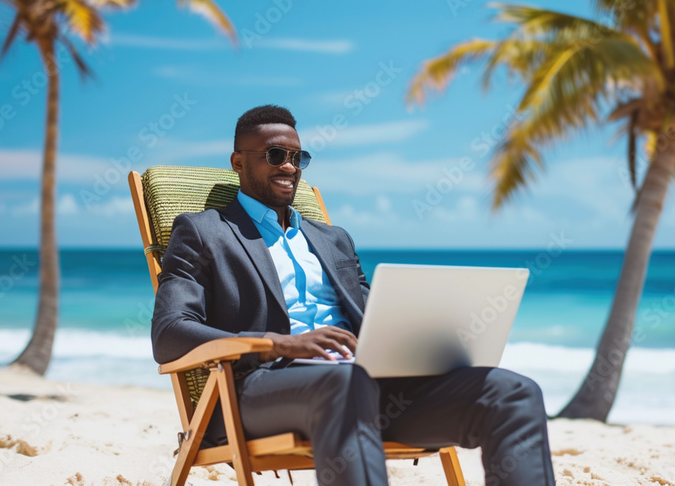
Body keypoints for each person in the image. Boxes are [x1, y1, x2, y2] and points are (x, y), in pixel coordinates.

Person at [151, 104, 555, 485]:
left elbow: (373, 315)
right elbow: (169, 334)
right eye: (275, 155)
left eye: (298, 157)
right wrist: (281, 344)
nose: (290, 167)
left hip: (371, 389)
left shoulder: (333, 239)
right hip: (261, 388)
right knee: (344, 384)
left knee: (513, 393)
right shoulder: (205, 231)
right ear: (239, 161)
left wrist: (426, 338)